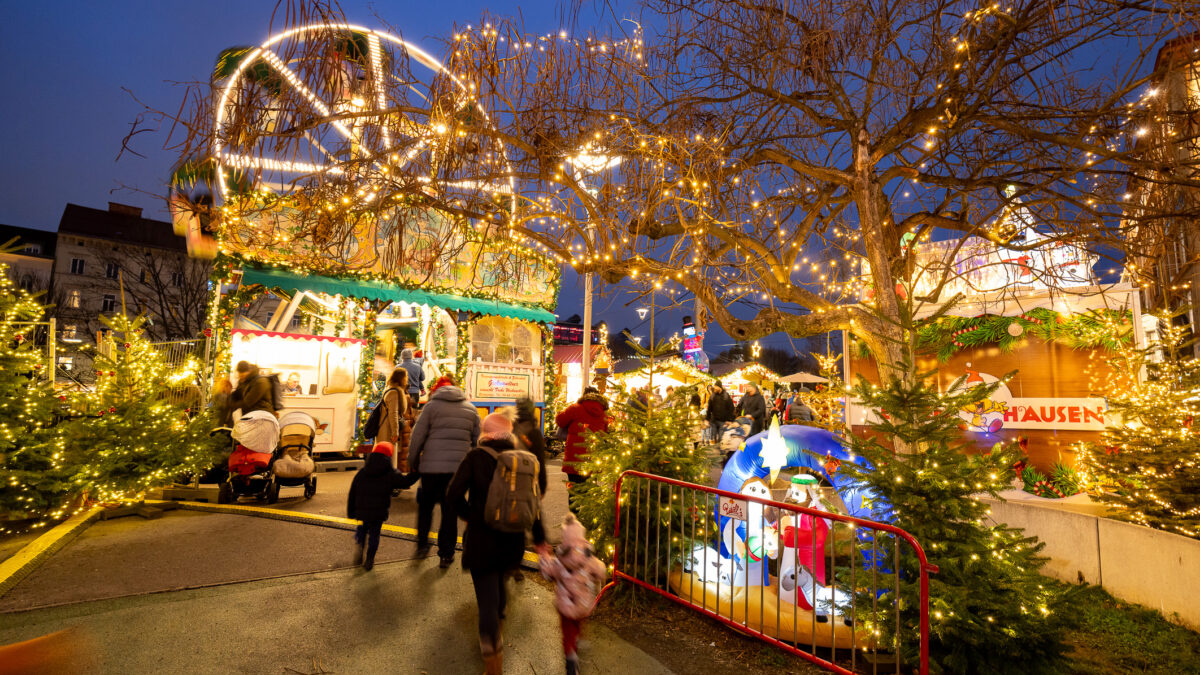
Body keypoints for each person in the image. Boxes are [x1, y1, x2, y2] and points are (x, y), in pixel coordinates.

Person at [446, 412, 547, 675]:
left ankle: (493, 663)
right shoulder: (524, 459)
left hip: (482, 539)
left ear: (485, 433)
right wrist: (540, 540)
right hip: (513, 540)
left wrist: (470, 516)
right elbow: (533, 503)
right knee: (500, 588)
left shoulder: (475, 457)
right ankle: (499, 629)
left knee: (486, 602)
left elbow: (453, 493)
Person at [409, 374, 480, 567]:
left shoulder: (431, 407)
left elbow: (417, 437)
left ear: (436, 391)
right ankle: (446, 554)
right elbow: (477, 442)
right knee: (450, 511)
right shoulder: (471, 409)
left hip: (430, 469)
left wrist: (413, 461)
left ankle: (422, 546)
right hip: (458, 471)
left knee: (426, 508)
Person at [538, 514, 606, 675]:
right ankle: (579, 638)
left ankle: (571, 656)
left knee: (567, 632)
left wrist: (544, 556)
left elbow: (547, 573)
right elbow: (601, 572)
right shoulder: (590, 559)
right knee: (579, 621)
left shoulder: (560, 561)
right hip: (583, 605)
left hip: (566, 606)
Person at [347, 442, 408, 571]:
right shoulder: (390, 473)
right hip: (379, 511)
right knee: (374, 534)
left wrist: (351, 511)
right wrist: (417, 472)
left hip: (363, 510)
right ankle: (370, 559)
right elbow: (405, 482)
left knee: (362, 529)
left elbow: (353, 492)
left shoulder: (363, 471)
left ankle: (360, 548)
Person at [555, 387, 610, 491]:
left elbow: (560, 421)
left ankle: (574, 502)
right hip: (592, 459)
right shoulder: (603, 414)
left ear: (584, 396)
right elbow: (605, 433)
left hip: (574, 459)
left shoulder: (575, 408)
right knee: (590, 490)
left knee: (574, 492)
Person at [382, 368, 413, 472]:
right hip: (388, 429)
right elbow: (393, 413)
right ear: (401, 378)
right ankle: (389, 478)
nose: (407, 379)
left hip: (388, 427)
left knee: (389, 456)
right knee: (390, 457)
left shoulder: (391, 389)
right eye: (406, 376)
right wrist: (395, 432)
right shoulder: (394, 392)